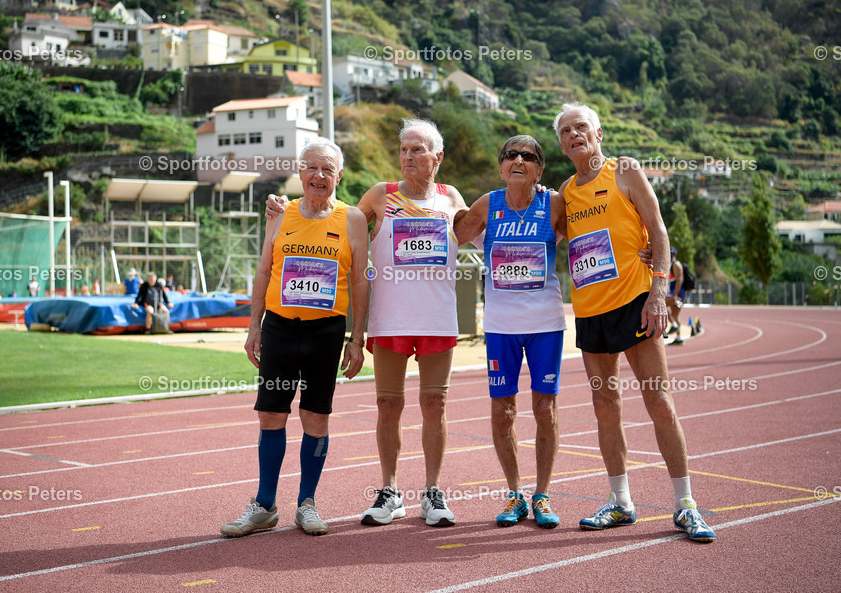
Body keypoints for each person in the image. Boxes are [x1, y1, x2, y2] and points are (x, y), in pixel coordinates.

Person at [268, 118, 468, 527]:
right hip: (390, 317)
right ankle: (390, 491)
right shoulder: (380, 195)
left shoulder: (450, 199)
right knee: (388, 405)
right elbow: (330, 220)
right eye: (404, 149)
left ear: (438, 157)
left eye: (418, 149)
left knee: (435, 404)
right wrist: (282, 208)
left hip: (437, 317)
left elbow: (489, 230)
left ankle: (432, 492)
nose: (408, 156)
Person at [555, 103, 715, 543]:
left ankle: (685, 505)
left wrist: (659, 291)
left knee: (658, 401)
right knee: (606, 407)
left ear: (598, 133)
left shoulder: (624, 170)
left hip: (635, 303)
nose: (574, 134)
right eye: (566, 131)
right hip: (590, 312)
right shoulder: (564, 193)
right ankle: (621, 502)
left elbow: (658, 231)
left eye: (581, 126)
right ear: (561, 143)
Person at [221, 139, 369, 538]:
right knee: (271, 413)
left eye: (327, 169)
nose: (319, 176)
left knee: (315, 417)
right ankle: (265, 505)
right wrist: (254, 326)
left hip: (326, 331)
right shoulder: (280, 213)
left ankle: (307, 503)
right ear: (300, 172)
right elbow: (264, 270)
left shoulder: (352, 219)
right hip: (280, 327)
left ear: (339, 176)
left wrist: (357, 339)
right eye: (311, 168)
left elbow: (359, 280)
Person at [453, 135, 568, 528]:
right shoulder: (487, 204)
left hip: (546, 325)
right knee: (503, 412)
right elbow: (451, 235)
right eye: (511, 155)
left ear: (539, 170)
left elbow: (591, 233)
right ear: (501, 166)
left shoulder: (554, 204)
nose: (519, 160)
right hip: (501, 327)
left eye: (529, 156)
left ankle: (543, 495)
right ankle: (515, 493)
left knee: (544, 410)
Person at [665, 246, 686, 344]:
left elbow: (679, 280)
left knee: (660, 304)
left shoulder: (676, 265)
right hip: (673, 292)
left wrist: (675, 295)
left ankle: (673, 325)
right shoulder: (669, 265)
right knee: (675, 316)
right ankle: (678, 338)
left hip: (677, 293)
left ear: (672, 254)